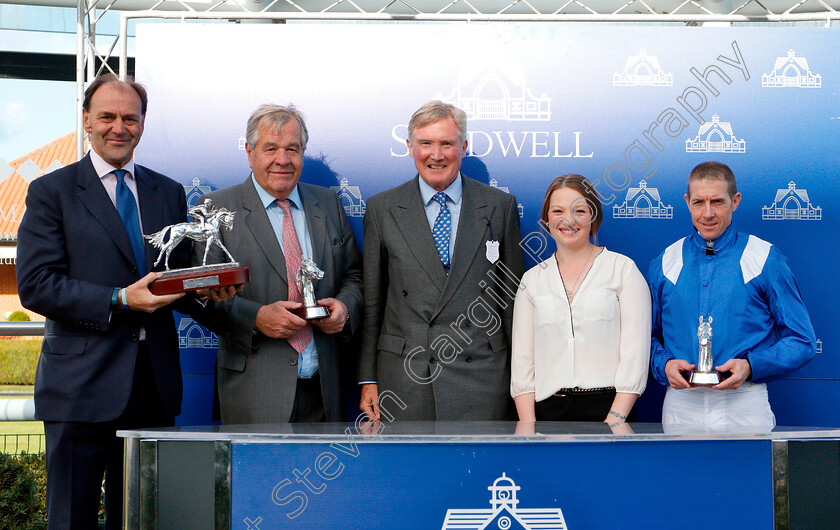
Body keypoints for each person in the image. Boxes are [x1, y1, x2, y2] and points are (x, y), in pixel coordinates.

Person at [16, 73, 234, 529]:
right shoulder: (51, 191)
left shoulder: (168, 192)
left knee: (142, 518)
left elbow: (174, 283)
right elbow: (36, 284)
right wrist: (118, 298)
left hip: (154, 386)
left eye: (129, 118)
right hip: (80, 386)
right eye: (108, 116)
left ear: (142, 124)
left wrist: (210, 292)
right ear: (87, 121)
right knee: (71, 519)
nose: (119, 127)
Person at [192, 104, 363, 424]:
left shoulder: (328, 204)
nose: (282, 159)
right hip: (253, 391)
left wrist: (344, 308)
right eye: (270, 148)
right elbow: (198, 297)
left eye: (292, 149)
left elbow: (355, 274)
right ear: (249, 151)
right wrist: (256, 317)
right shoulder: (215, 208)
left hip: (326, 391)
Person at [358, 101, 526, 421]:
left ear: (463, 146)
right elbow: (372, 302)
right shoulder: (382, 209)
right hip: (405, 379)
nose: (436, 155)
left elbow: (511, 302)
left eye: (446, 143)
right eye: (426, 144)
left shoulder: (499, 206)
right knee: (412, 471)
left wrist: (522, 382)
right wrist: (368, 378)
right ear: (410, 147)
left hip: (483, 377)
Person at [649, 161, 816, 432]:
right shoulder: (666, 261)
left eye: (717, 201)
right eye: (698, 202)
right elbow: (645, 339)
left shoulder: (764, 258)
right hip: (682, 404)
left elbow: (803, 341)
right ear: (686, 202)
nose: (708, 213)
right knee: (682, 475)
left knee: (748, 475)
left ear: (735, 201)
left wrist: (751, 365)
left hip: (744, 401)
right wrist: (663, 364)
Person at [510, 175, 651, 426]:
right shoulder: (531, 280)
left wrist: (615, 421)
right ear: (547, 219)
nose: (569, 220)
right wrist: (528, 426)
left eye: (580, 210)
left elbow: (635, 355)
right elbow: (522, 362)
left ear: (593, 217)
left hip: (610, 410)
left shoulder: (623, 270)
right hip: (546, 415)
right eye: (558, 211)